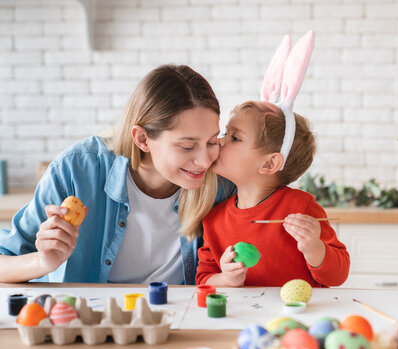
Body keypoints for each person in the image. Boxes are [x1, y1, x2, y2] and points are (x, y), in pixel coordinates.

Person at [0, 64, 235, 284]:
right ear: (142, 139)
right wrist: (41, 262)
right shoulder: (76, 171)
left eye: (213, 141)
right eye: (187, 146)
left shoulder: (221, 184)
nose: (205, 160)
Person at [196, 100, 350, 287]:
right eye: (225, 133)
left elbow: (338, 277)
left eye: (234, 138)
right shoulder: (213, 220)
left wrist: (314, 247)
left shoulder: (301, 208)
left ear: (269, 164)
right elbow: (203, 280)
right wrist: (226, 279)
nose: (219, 141)